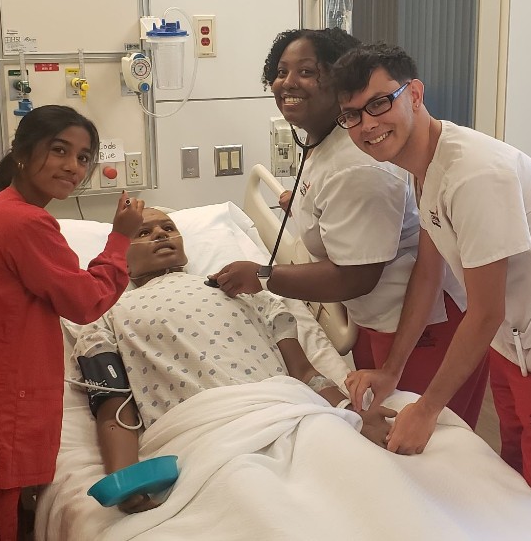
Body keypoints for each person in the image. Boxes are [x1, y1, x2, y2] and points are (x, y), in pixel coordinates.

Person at [333, 43, 531, 533]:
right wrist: (392, 370)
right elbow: (429, 272)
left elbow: (484, 311)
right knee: (514, 488)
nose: (366, 125)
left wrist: (428, 408)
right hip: (514, 342)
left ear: (413, 93)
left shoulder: (471, 173)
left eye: (378, 103)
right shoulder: (423, 167)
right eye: (350, 116)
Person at [210, 28, 488, 428]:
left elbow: (355, 275)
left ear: (337, 82)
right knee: (384, 437)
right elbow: (332, 204)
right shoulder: (326, 143)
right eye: (281, 71)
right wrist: (300, 206)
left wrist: (262, 276)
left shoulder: (356, 163)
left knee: (432, 446)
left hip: (422, 328)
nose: (288, 82)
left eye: (307, 71)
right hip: (380, 321)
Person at [71, 208, 395, 512]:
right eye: (144, 232)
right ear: (121, 257)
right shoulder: (104, 313)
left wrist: (353, 413)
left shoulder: (243, 287)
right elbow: (113, 406)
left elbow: (305, 372)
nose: (161, 234)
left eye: (168, 228)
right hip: (203, 436)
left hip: (289, 414)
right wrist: (125, 478)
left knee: (368, 490)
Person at [0, 104, 145, 540]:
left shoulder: (3, 209)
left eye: (83, 157)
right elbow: (85, 300)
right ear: (21, 152)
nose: (73, 166)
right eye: (60, 151)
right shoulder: (24, 221)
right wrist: (121, 240)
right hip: (2, 402)